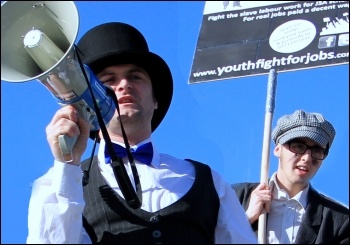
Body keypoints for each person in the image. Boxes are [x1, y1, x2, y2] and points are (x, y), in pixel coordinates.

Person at [26, 22, 257, 244]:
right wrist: (67, 165)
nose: (124, 84)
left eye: (136, 77)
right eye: (108, 80)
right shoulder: (57, 184)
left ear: (156, 99)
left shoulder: (210, 182)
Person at [232, 110, 349, 244]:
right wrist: (246, 220)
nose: (307, 158)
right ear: (278, 149)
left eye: (317, 150)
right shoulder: (234, 197)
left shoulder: (339, 221)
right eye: (299, 146)